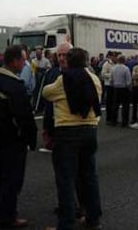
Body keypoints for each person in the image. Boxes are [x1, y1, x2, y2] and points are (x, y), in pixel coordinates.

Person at [43, 47, 102, 230]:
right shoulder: (94, 79)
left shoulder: (64, 79)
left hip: (67, 131)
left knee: (66, 179)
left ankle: (66, 223)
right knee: (89, 177)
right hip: (90, 130)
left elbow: (46, 92)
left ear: (68, 61)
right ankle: (93, 219)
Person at [0, 45, 37, 229]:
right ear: (15, 61)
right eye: (23, 59)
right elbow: (24, 117)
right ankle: (9, 217)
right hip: (13, 139)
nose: (25, 63)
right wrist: (30, 138)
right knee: (12, 179)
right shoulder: (14, 86)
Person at [111, 55, 132, 127]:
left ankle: (113, 121)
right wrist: (130, 88)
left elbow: (111, 79)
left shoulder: (113, 68)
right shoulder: (126, 69)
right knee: (125, 106)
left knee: (115, 106)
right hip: (124, 89)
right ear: (124, 60)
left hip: (116, 88)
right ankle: (124, 122)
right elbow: (128, 81)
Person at [32, 47, 52, 112]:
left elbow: (49, 68)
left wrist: (43, 69)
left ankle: (42, 106)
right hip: (36, 79)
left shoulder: (46, 61)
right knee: (36, 93)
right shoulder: (33, 61)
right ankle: (35, 106)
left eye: (39, 54)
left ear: (41, 54)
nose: (38, 55)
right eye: (37, 54)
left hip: (43, 79)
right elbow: (32, 69)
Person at [101, 51, 116, 124]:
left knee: (114, 103)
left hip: (115, 85)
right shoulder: (106, 64)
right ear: (111, 57)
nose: (114, 58)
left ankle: (113, 118)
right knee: (109, 103)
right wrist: (111, 75)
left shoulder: (116, 64)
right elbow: (103, 74)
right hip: (109, 85)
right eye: (113, 56)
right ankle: (108, 118)